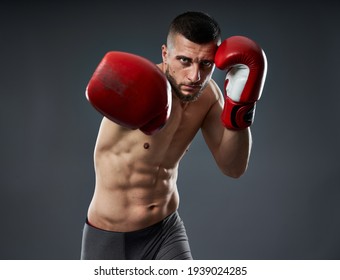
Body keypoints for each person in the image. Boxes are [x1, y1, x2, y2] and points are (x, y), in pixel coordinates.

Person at [81, 11, 267, 260]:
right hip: (112, 237)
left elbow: (233, 167)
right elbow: (101, 86)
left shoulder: (208, 96)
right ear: (165, 54)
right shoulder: (136, 85)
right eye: (184, 61)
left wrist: (240, 104)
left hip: (166, 232)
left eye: (206, 64)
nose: (195, 76)